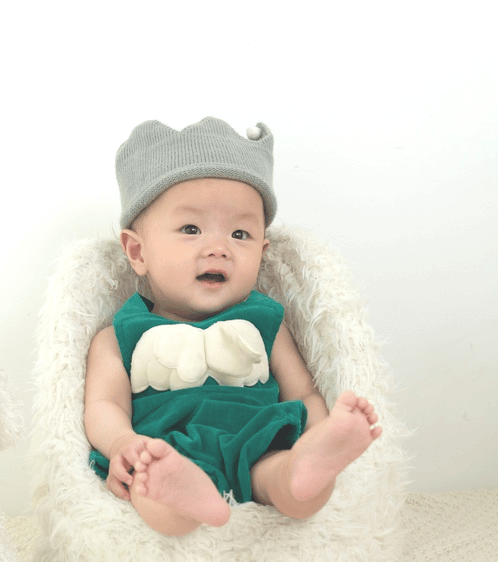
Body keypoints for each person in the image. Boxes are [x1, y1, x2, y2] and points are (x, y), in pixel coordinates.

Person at [83, 117, 381, 536]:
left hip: (259, 440)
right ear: (137, 251)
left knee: (287, 480)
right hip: (167, 450)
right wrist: (122, 444)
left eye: (240, 234)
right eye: (191, 229)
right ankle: (185, 494)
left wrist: (319, 433)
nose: (219, 248)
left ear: (262, 251)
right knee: (151, 489)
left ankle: (305, 471)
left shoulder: (265, 322)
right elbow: (104, 405)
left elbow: (303, 393)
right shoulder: (118, 336)